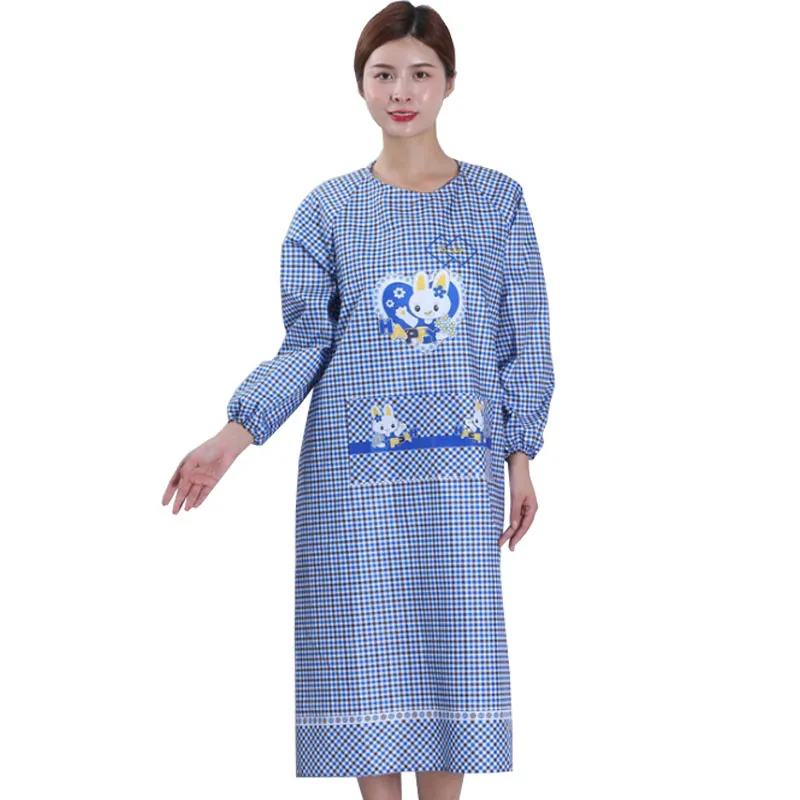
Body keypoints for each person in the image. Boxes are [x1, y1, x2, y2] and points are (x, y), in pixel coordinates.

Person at [161, 2, 555, 797]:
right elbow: (306, 343)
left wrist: (521, 458)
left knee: (453, 649)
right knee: (362, 653)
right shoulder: (328, 210)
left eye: (420, 74)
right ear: (361, 84)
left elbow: (525, 343)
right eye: (384, 75)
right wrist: (233, 435)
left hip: (462, 478)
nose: (401, 92)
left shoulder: (498, 201)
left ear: (450, 83)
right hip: (354, 482)